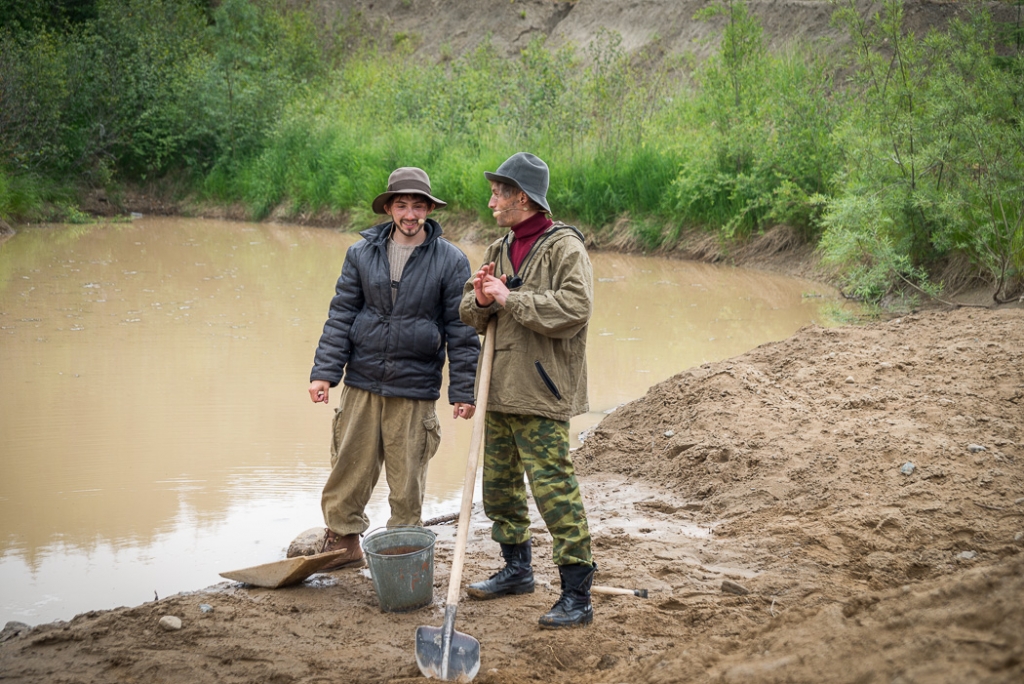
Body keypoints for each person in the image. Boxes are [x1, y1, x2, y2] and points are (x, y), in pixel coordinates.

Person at [309, 167, 480, 571]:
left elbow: (462, 329)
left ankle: (404, 547)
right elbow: (341, 315)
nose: (409, 213)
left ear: (428, 210)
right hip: (363, 379)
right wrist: (324, 373)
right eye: (401, 205)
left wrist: (463, 390)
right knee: (350, 465)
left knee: (407, 479)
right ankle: (343, 540)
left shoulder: (450, 260)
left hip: (415, 387)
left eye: (417, 205)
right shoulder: (360, 253)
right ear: (388, 208)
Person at [459, 152, 596, 629]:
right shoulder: (500, 245)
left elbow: (575, 308)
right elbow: (471, 312)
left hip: (541, 391)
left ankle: (577, 597)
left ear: (523, 197)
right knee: (498, 491)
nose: (492, 200)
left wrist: (509, 298)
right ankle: (517, 571)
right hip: (498, 388)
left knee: (555, 493)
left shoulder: (564, 247)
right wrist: (480, 298)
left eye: (499, 192)